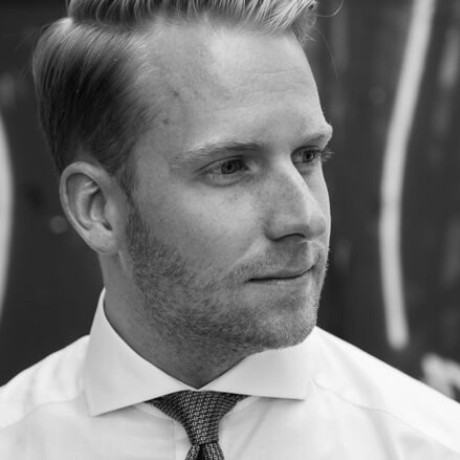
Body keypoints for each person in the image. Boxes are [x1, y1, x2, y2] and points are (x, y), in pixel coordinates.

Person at [0, 0, 459, 458]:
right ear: (97, 209)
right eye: (231, 167)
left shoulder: (428, 444)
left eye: (308, 156)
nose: (305, 218)